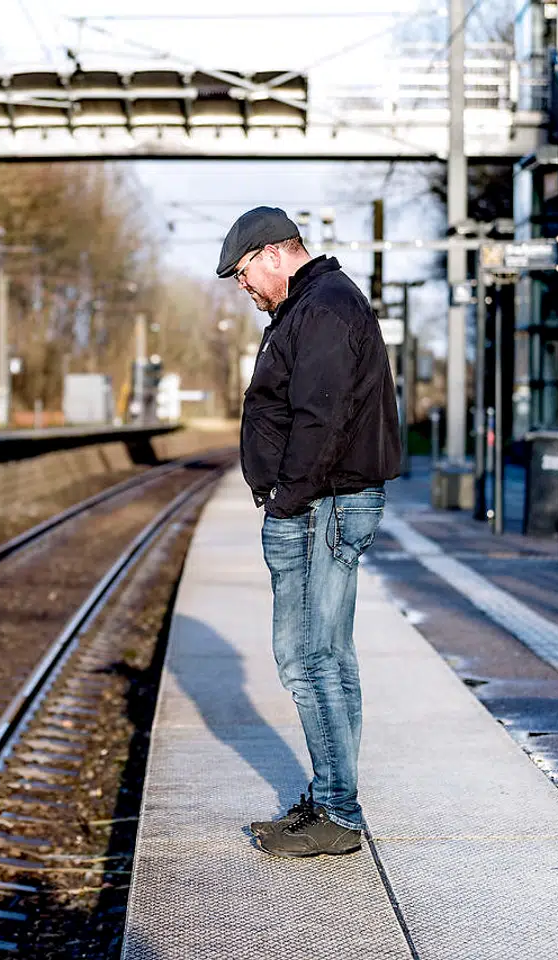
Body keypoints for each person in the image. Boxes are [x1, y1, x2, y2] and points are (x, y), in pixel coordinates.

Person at [215, 207, 402, 857]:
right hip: (323, 503)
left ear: (272, 254)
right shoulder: (314, 305)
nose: (244, 287)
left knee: (309, 660)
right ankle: (330, 800)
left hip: (322, 506)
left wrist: (286, 501)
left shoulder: (321, 308)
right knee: (326, 659)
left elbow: (320, 418)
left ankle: (339, 815)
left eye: (243, 274)